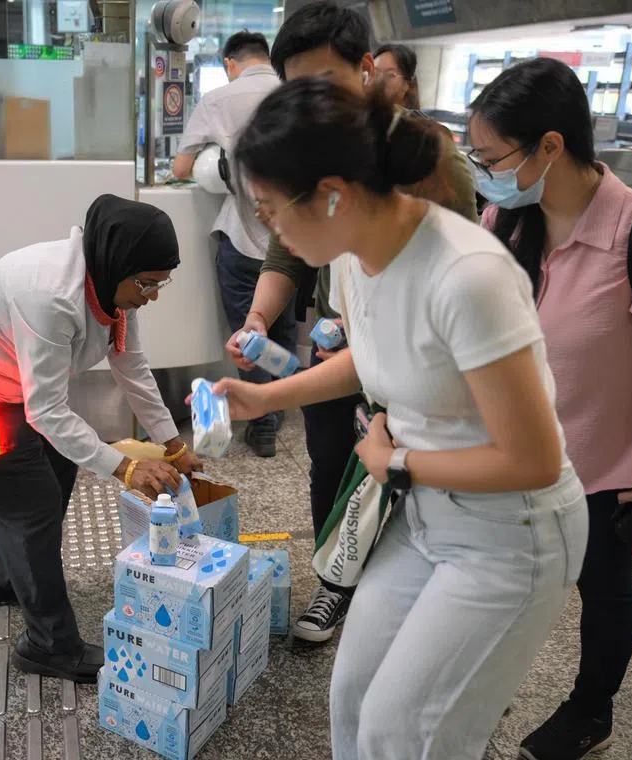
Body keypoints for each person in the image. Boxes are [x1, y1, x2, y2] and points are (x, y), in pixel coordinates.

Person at [222, 76, 588, 760]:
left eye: (271, 209)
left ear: (331, 192)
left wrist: (396, 462)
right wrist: (268, 397)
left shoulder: (466, 277)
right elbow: (374, 355)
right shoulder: (356, 259)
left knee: (407, 733)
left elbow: (533, 459)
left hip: (511, 537)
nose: (268, 227)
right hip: (422, 517)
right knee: (354, 701)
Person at [469, 58, 632, 760]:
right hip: (511, 458)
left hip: (602, 468)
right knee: (502, 582)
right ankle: (484, 688)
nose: (482, 171)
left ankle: (590, 710)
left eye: (490, 157)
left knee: (603, 588)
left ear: (549, 146)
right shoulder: (502, 220)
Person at [227, 0, 477, 644]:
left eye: (324, 83)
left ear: (367, 71)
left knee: (394, 484)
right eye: (296, 88)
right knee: (331, 461)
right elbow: (289, 249)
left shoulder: (424, 160)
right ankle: (337, 586)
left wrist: (407, 394)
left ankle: (410, 611)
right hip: (348, 345)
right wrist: (260, 317)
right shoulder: (314, 155)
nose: (310, 103)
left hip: (417, 373)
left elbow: (460, 300)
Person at [0, 195, 202, 684]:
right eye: (148, 284)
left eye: (161, 285)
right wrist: (125, 466)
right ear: (120, 264)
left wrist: (170, 441)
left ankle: (3, 578)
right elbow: (47, 409)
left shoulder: (114, 280)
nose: (152, 296)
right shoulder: (51, 294)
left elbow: (129, 364)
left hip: (19, 385)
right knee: (27, 502)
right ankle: (49, 645)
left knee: (57, 471)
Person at [172, 30, 290, 458]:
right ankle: (276, 409)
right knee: (283, 323)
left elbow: (182, 166)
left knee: (248, 331)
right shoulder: (292, 91)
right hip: (292, 242)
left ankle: (262, 424)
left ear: (229, 63)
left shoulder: (220, 100)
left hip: (244, 238)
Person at [374, 43, 420, 110]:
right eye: (375, 73)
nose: (379, 80)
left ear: (406, 84)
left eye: (390, 75)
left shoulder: (413, 119)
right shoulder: (359, 115)